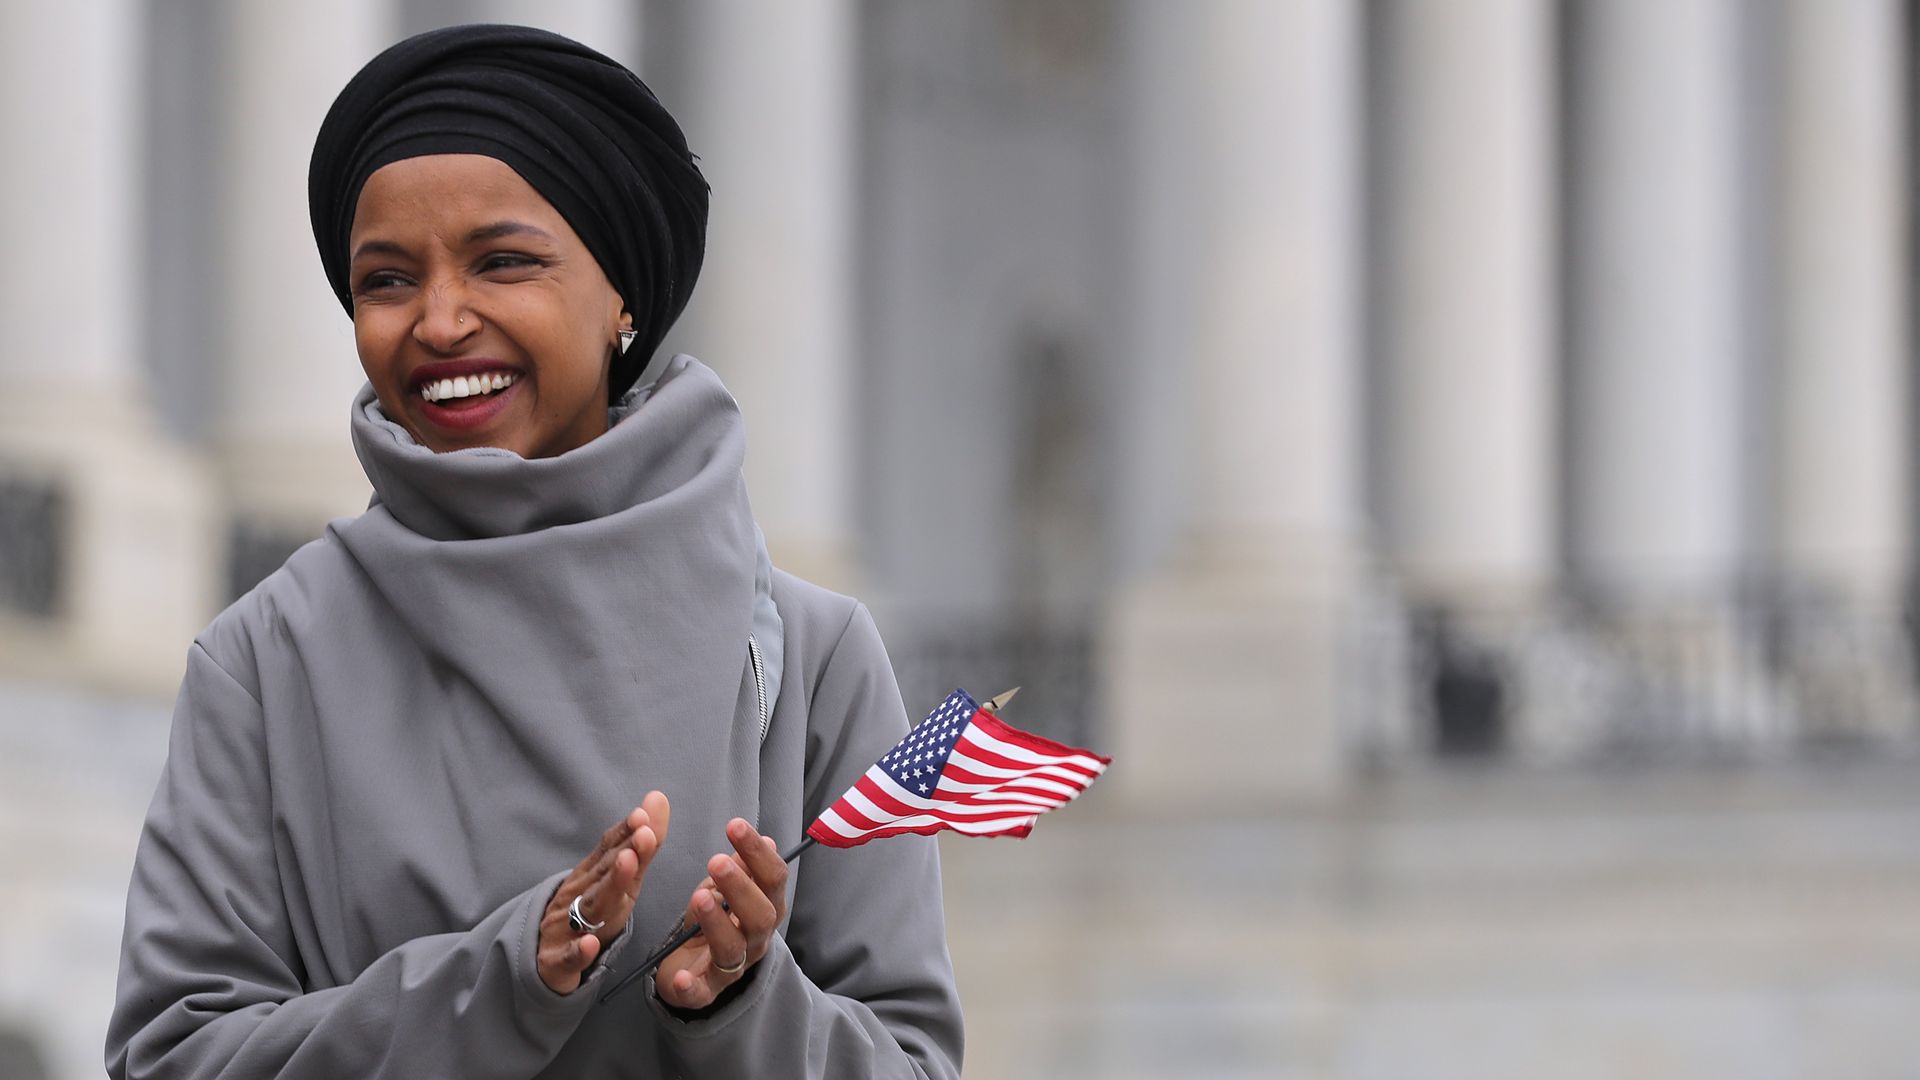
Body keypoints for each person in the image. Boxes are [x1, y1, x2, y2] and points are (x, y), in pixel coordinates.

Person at [106, 24, 963, 1080]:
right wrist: (504, 982)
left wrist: (744, 1003)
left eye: (502, 261)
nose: (439, 319)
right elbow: (173, 1056)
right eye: (385, 280)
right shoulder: (267, 660)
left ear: (623, 300)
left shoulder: (813, 658)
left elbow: (913, 1065)